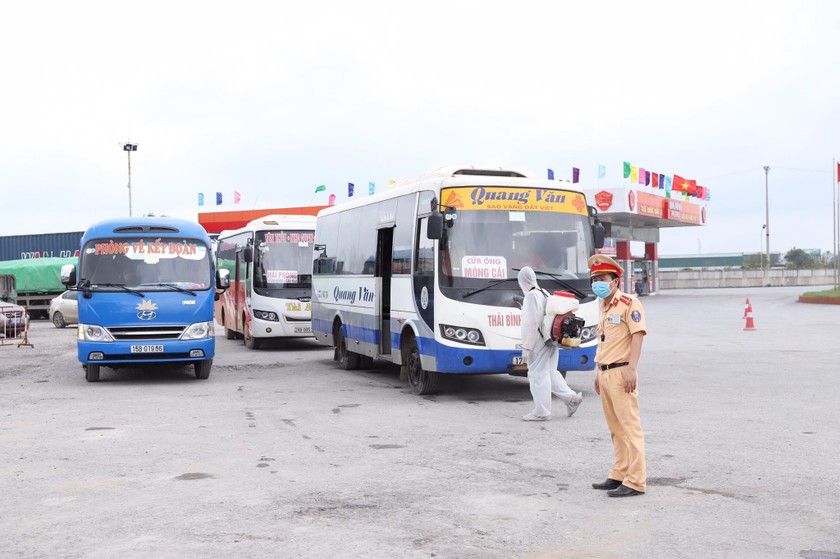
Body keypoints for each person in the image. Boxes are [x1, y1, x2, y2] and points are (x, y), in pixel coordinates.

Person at [588, 255, 647, 497]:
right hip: (605, 372)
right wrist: (597, 371)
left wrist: (632, 369)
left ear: (615, 280)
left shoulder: (629, 303)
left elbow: (638, 335)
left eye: (601, 279)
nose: (597, 283)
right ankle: (620, 472)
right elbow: (605, 343)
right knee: (615, 427)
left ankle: (636, 481)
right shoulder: (603, 306)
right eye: (594, 279)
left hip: (623, 372)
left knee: (630, 427)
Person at [517, 266, 583, 421]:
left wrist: (527, 347)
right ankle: (571, 399)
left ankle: (542, 412)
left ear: (522, 281)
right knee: (551, 372)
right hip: (550, 340)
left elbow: (532, 323)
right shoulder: (543, 292)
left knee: (537, 375)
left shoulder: (531, 296)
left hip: (538, 342)